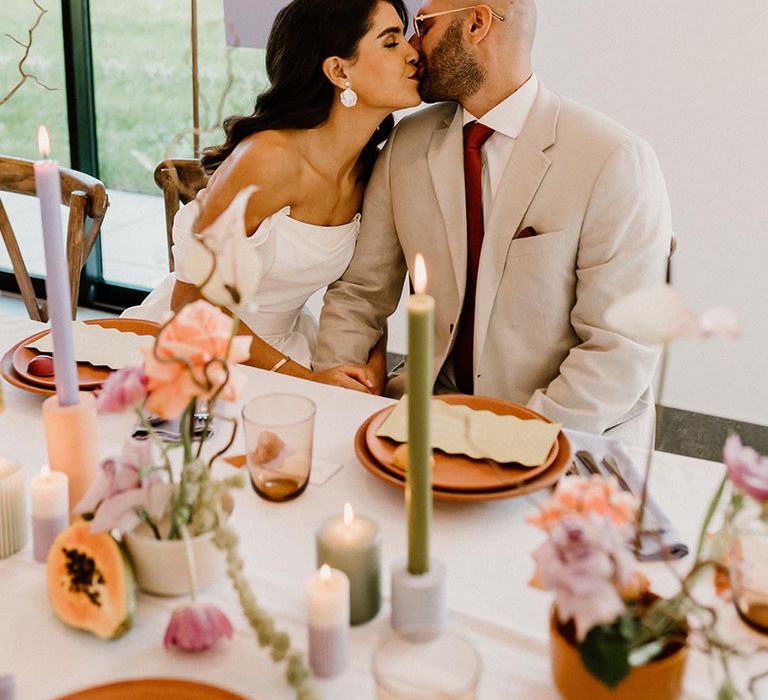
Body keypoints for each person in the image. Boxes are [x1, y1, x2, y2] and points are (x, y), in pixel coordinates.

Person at [313, 0, 673, 445]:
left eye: (423, 26)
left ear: (477, 24)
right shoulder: (406, 145)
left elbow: (619, 348)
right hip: (426, 416)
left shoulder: (613, 160)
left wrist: (511, 443)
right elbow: (360, 294)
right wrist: (338, 395)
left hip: (563, 432)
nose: (411, 47)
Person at [125, 0, 420, 392]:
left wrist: (374, 367)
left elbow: (364, 292)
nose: (413, 52)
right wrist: (306, 380)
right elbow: (190, 302)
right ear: (338, 70)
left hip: (291, 348)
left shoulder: (371, 170)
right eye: (390, 42)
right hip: (200, 350)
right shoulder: (267, 161)